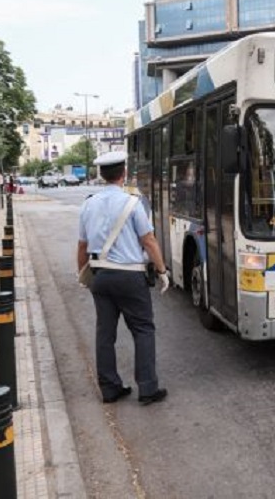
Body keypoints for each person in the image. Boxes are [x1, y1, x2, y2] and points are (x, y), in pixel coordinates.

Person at [76, 151, 169, 406]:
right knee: (143, 330)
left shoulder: (88, 204)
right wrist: (162, 271)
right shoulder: (133, 203)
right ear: (123, 174)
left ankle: (110, 389)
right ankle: (148, 389)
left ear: (100, 175)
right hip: (130, 276)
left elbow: (82, 246)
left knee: (105, 333)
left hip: (101, 276)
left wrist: (82, 274)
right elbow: (148, 240)